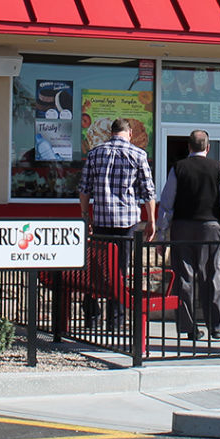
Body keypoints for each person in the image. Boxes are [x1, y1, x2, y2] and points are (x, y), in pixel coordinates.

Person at [78, 117, 156, 329]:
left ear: (110, 133)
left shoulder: (94, 154)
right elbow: (148, 193)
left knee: (96, 270)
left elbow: (84, 190)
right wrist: (152, 221)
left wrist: (86, 216)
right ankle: (116, 319)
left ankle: (92, 318)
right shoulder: (138, 155)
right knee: (120, 271)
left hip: (101, 220)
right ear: (129, 133)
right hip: (126, 222)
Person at [158, 129, 220, 340]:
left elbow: (166, 204)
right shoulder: (218, 167)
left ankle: (189, 328)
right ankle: (217, 328)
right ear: (208, 148)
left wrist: (161, 234)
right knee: (212, 276)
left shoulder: (178, 168)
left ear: (189, 147)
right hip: (210, 227)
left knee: (184, 277)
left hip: (182, 227)